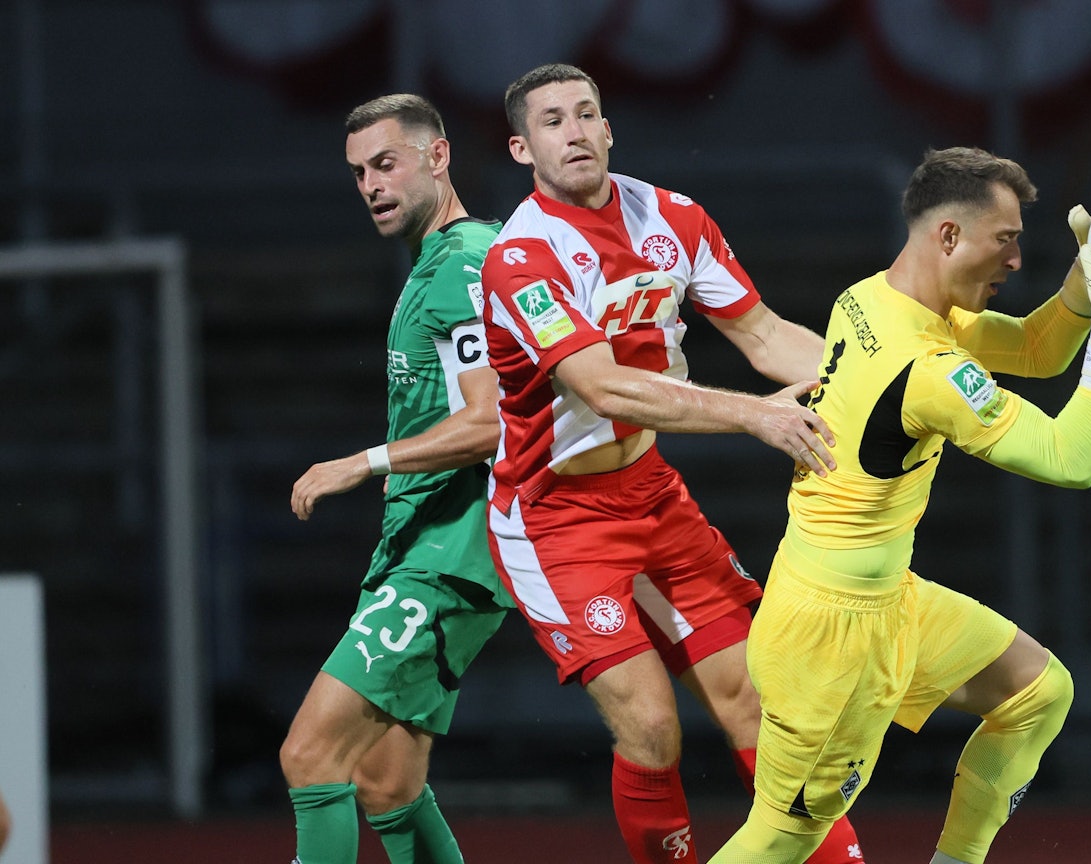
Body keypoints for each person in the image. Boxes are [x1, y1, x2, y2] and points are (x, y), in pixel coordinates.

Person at [706, 150, 1091, 864]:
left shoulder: (872, 299)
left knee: (1038, 690)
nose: (1019, 259)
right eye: (1007, 239)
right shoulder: (926, 369)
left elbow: (1033, 347)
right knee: (783, 834)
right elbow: (1071, 459)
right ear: (950, 238)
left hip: (880, 595)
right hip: (830, 638)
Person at [478, 63, 864, 864]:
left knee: (763, 706)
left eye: (588, 114)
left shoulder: (674, 216)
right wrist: (757, 416)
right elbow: (605, 387)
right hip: (556, 517)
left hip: (653, 496)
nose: (575, 131)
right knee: (652, 727)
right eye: (552, 122)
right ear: (522, 148)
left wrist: (886, 382)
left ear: (610, 128)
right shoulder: (520, 257)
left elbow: (763, 336)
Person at [279, 93, 514, 864]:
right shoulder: (443, 264)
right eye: (358, 173)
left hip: (451, 559)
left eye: (386, 163)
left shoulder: (463, 265)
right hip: (425, 549)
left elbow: (491, 423)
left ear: (438, 156)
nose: (372, 185)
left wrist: (363, 461)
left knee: (311, 754)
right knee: (387, 784)